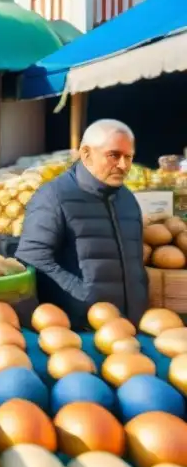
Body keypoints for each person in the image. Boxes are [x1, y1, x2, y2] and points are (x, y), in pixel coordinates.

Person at [16, 119, 148, 331]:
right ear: (86, 154)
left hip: (131, 327)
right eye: (114, 155)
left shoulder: (128, 200)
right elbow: (33, 258)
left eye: (128, 157)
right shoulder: (54, 196)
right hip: (79, 329)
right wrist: (85, 296)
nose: (123, 165)